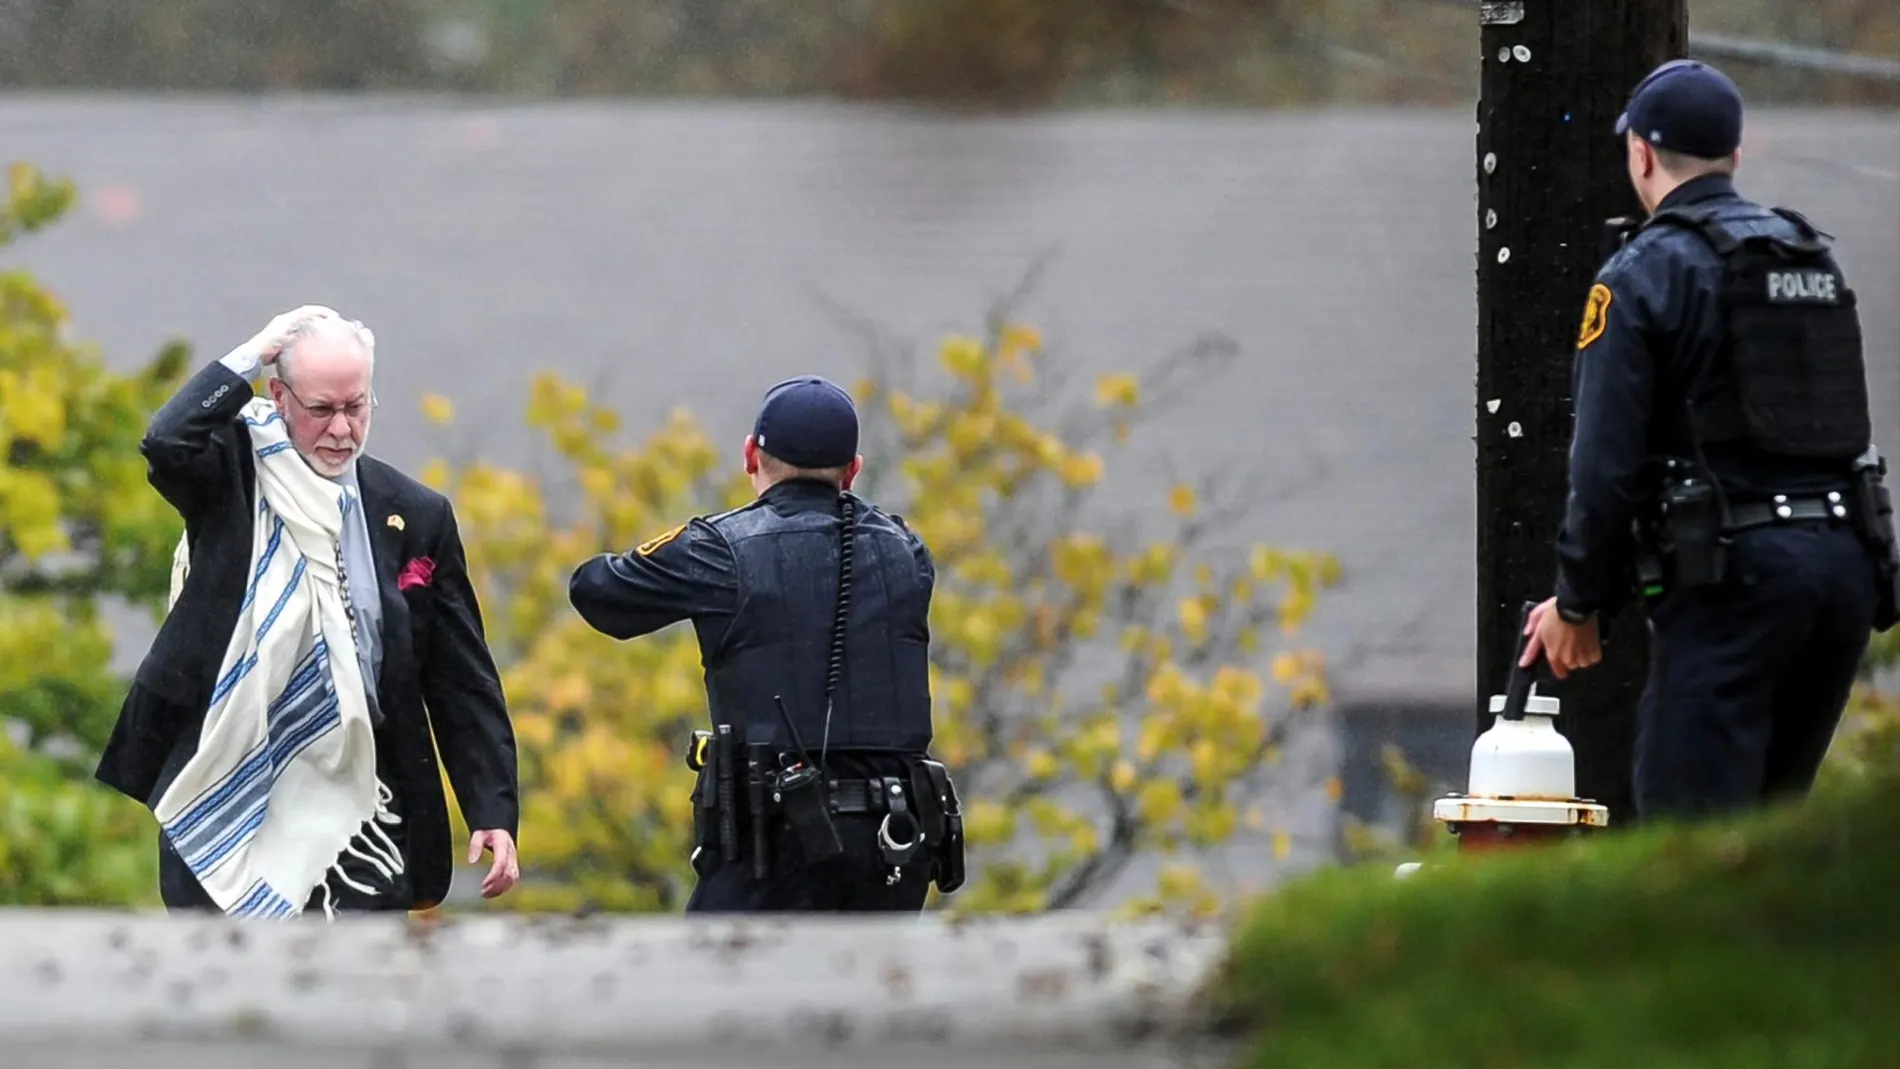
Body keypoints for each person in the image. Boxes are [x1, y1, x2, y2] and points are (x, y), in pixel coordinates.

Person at [1521, 59, 1896, 822]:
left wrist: (1578, 599)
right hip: (1844, 574)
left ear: (1643, 154)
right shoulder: (1805, 254)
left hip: (1737, 585)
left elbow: (1603, 467)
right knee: (1770, 845)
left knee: (1690, 843)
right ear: (1735, 154)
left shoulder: (1644, 270)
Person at [95, 306, 523, 917]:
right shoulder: (233, 480)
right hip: (238, 783)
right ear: (280, 396)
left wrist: (492, 809)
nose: (343, 430)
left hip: (365, 805)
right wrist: (253, 351)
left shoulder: (417, 514)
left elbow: (460, 678)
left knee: (360, 1000)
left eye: (357, 406)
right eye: (322, 410)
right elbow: (168, 441)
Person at [568, 375, 964, 913]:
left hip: (775, 848)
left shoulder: (722, 549)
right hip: (893, 847)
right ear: (853, 470)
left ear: (751, 455)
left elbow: (597, 593)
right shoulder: (908, 552)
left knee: (716, 990)